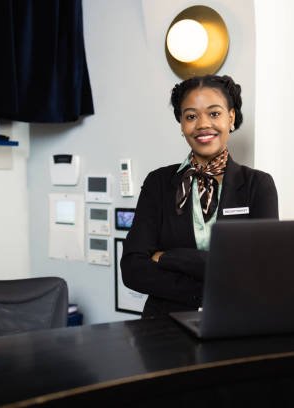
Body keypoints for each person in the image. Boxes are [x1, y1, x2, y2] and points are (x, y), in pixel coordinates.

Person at [121, 74, 279, 318]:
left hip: (237, 321)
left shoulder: (257, 185)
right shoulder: (159, 183)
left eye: (214, 113)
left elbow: (263, 270)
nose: (203, 124)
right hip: (164, 327)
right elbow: (133, 269)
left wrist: (170, 257)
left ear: (231, 118)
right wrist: (215, 284)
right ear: (182, 125)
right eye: (191, 116)